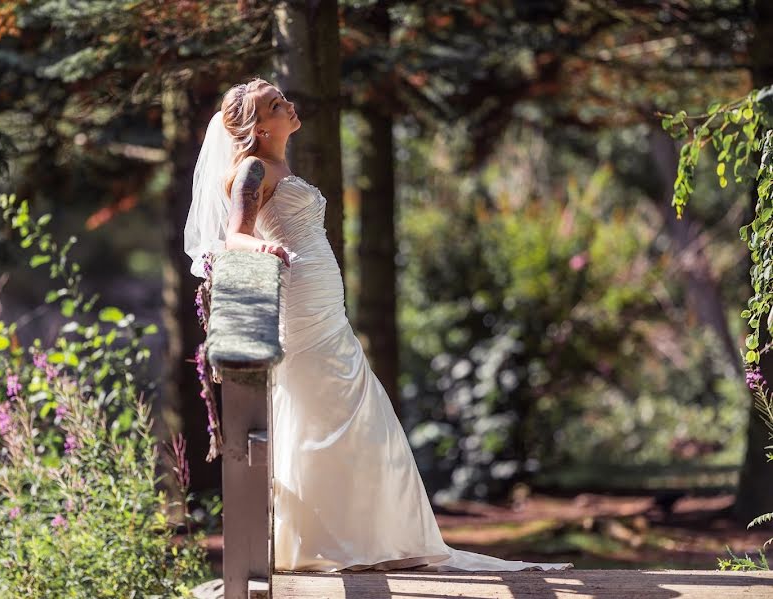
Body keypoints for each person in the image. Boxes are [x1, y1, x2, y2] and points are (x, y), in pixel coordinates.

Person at [184, 77, 573, 573]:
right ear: (259, 128)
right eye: (276, 104)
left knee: (349, 409)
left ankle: (358, 537)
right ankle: (319, 544)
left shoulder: (280, 164)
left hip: (324, 303)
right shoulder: (253, 169)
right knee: (322, 407)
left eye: (283, 97)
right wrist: (261, 247)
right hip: (302, 306)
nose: (289, 104)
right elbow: (234, 234)